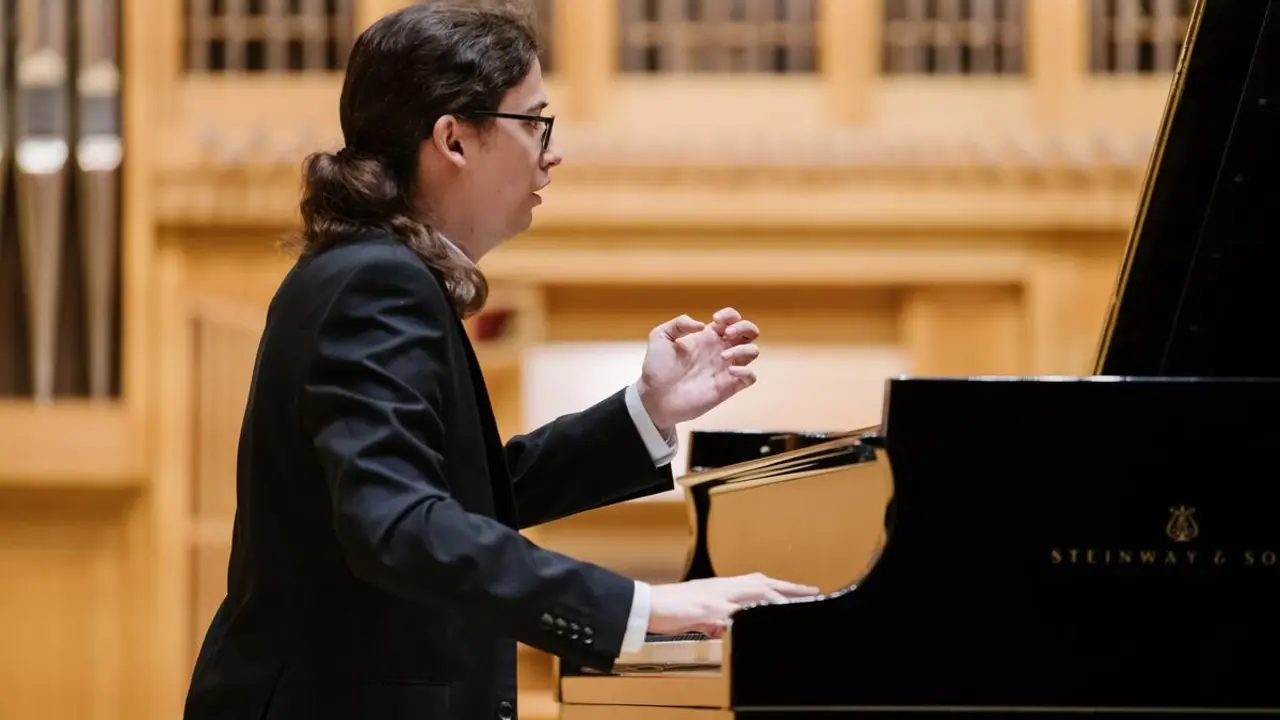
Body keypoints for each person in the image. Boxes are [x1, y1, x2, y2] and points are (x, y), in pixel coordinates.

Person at [182, 3, 820, 719]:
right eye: (534, 121)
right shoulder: (377, 283)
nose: (552, 152)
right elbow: (398, 525)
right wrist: (642, 609)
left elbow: (458, 497)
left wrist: (648, 410)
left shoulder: (371, 272)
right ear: (453, 139)